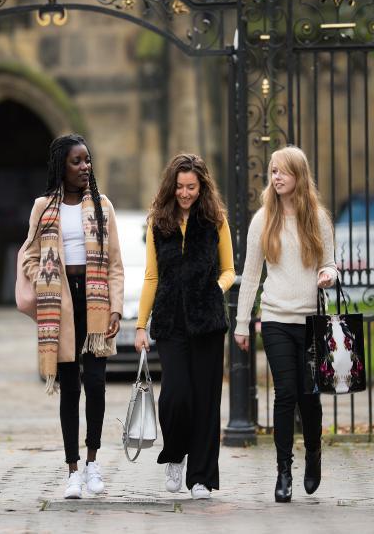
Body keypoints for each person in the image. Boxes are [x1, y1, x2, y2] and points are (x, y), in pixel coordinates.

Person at [22, 134, 124, 500]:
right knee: (70, 388)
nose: (85, 167)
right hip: (61, 304)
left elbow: (114, 263)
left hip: (94, 301)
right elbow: (29, 256)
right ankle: (72, 470)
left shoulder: (102, 205)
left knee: (96, 384)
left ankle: (94, 462)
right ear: (61, 167)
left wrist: (115, 307)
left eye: (88, 160)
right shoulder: (42, 208)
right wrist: (43, 280)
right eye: (77, 162)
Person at [234, 145, 337, 503]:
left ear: (299, 175)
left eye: (282, 171)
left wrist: (327, 274)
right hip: (276, 317)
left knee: (309, 397)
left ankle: (313, 455)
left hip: (311, 321)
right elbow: (249, 275)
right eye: (272, 171)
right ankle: (283, 472)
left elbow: (332, 264)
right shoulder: (263, 219)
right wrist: (242, 323)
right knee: (286, 393)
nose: (275, 177)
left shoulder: (318, 218)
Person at [134, 153, 235, 500]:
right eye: (179, 187)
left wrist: (215, 289)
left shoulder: (215, 220)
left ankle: (202, 478)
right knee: (176, 397)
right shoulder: (158, 222)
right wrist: (140, 325)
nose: (185, 193)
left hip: (208, 321)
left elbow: (229, 270)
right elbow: (151, 276)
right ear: (170, 186)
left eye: (191, 187)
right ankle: (175, 454)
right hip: (170, 321)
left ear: (202, 186)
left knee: (206, 400)